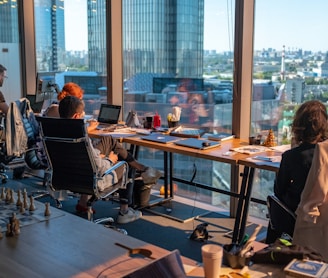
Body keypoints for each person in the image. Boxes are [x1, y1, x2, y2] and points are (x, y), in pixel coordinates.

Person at [58, 96, 144, 223]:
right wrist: (110, 159)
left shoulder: (56, 129)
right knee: (125, 164)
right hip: (91, 179)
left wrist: (98, 156)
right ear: (76, 116)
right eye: (83, 115)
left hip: (68, 177)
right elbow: (99, 168)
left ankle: (83, 202)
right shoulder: (80, 136)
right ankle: (124, 212)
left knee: (108, 139)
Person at [268, 100, 328, 242]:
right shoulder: (325, 153)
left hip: (300, 213)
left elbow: (279, 190)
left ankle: (271, 252)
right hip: (323, 212)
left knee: (275, 203)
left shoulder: (292, 156)